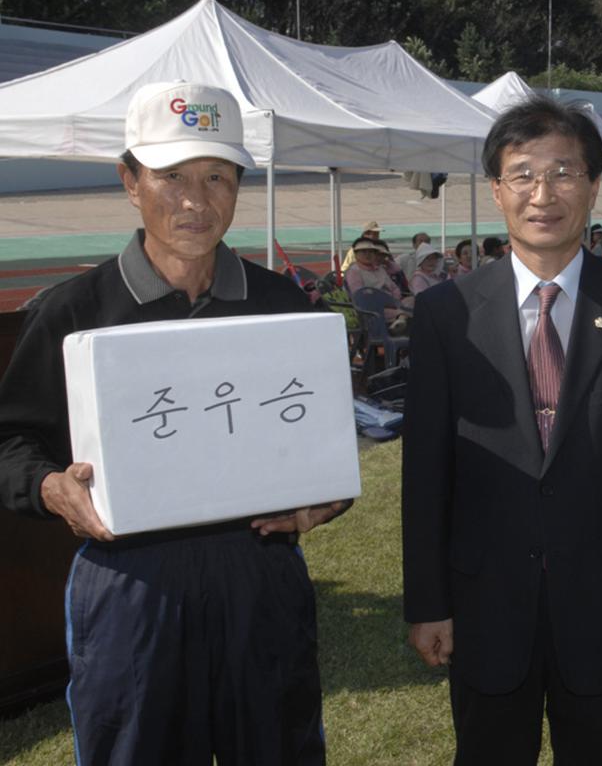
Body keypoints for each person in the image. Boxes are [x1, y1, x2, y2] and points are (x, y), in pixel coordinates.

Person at [0, 81, 351, 765]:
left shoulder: (280, 303)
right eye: (171, 177)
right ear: (130, 181)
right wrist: (49, 486)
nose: (195, 201)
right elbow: (9, 441)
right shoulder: (73, 308)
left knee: (278, 747)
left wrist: (327, 494)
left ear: (239, 187)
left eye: (217, 177)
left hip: (261, 578)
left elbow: (324, 437)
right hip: (132, 589)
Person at [402, 96, 602, 766]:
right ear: (497, 189)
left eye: (564, 173)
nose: (544, 193)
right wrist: (429, 601)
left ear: (592, 186)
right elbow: (425, 474)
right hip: (484, 605)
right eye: (523, 174)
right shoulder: (446, 313)